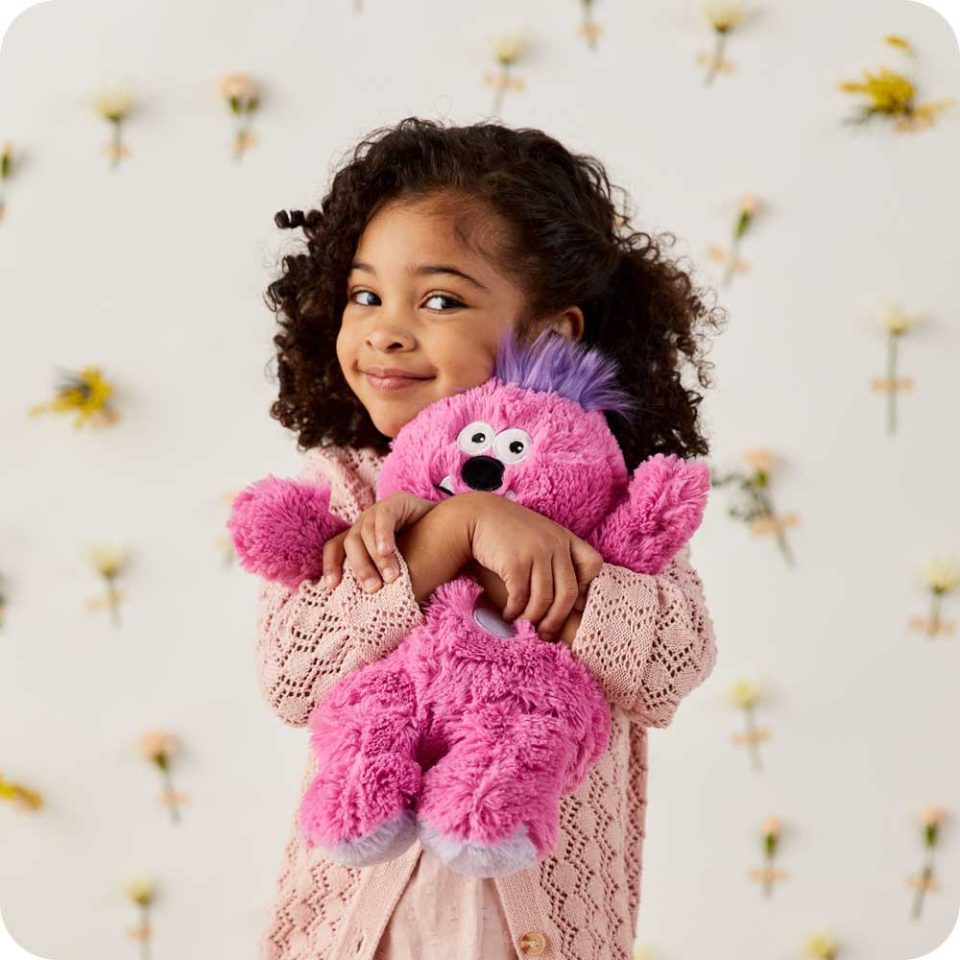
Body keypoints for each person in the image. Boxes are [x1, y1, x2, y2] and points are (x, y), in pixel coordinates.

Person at [254, 116, 723, 960]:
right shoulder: (345, 488)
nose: (386, 329)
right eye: (365, 295)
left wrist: (520, 546)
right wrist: (458, 526)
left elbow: (668, 666)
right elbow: (295, 676)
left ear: (551, 334)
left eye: (440, 300)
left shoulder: (609, 498)